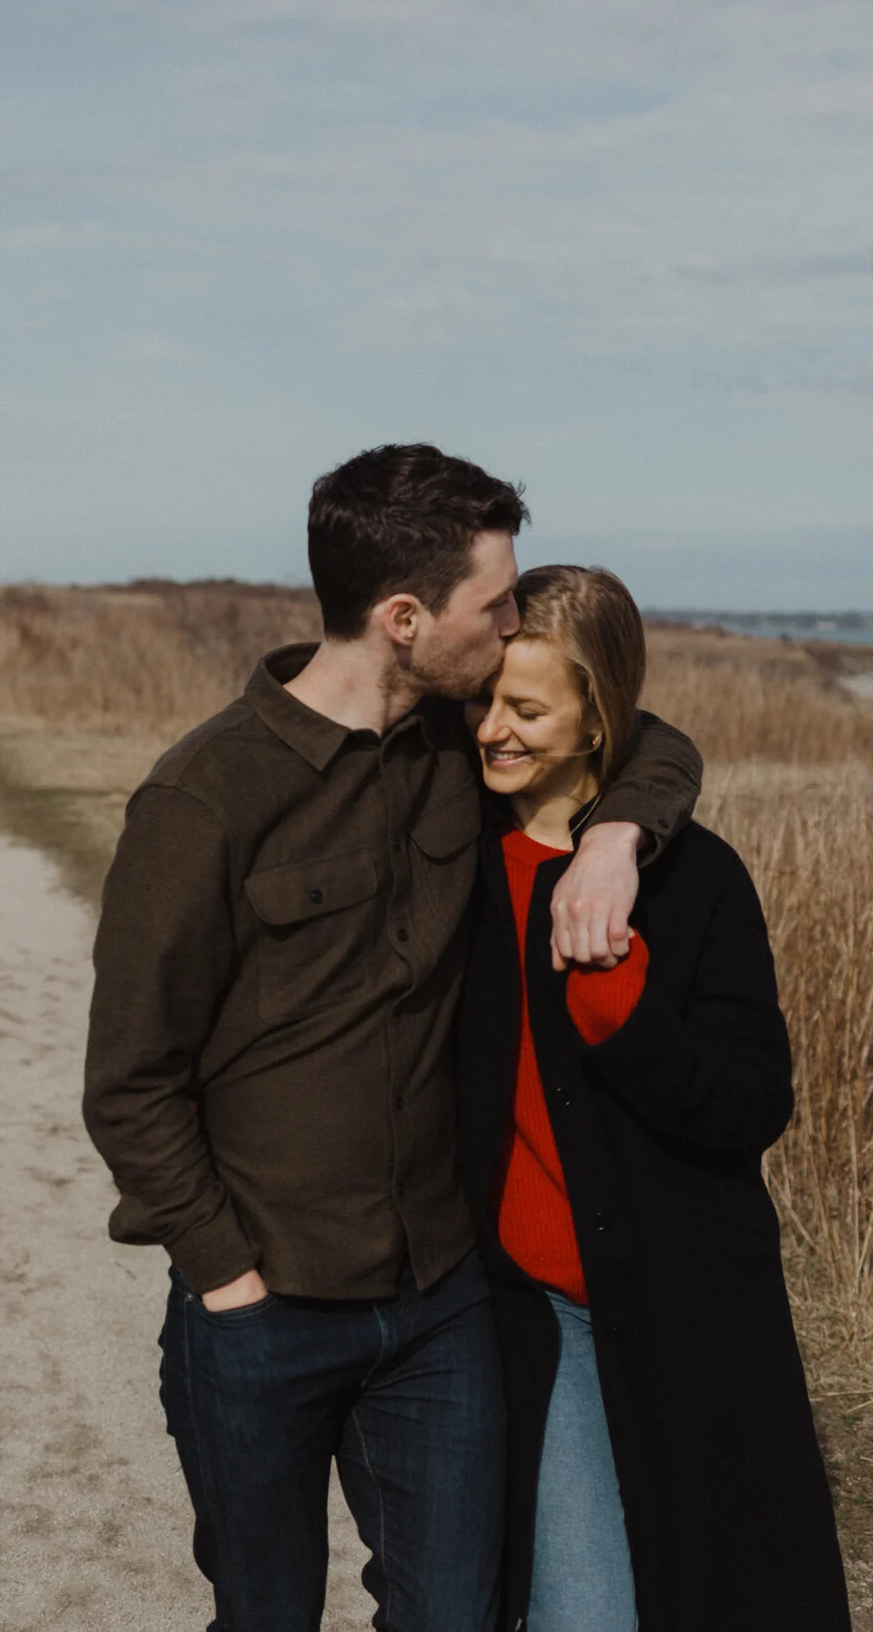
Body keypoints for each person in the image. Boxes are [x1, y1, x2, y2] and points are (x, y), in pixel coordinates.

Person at [82, 446, 702, 1632]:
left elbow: (649, 743)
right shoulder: (202, 798)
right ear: (405, 617)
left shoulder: (456, 749)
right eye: (497, 602)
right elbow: (129, 1084)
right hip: (262, 1307)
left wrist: (619, 835)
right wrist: (228, 1281)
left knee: (457, 1616)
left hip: (438, 1302)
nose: (515, 620)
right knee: (265, 1616)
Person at [458, 565, 851, 1632]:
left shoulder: (697, 879)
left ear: (595, 721)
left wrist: (623, 1015)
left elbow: (751, 1101)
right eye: (483, 699)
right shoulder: (446, 851)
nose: (491, 729)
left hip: (683, 1311)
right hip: (520, 1316)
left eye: (526, 709)